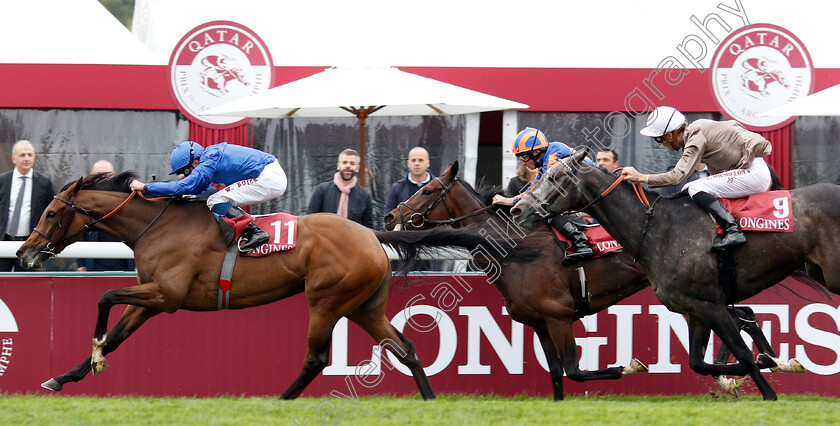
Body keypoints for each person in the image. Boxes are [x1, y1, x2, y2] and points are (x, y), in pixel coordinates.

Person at [622, 106, 772, 250]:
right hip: (750, 170)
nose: (660, 144)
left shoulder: (695, 138)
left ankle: (733, 231)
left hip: (754, 173)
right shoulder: (696, 131)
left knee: (695, 187)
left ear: (669, 135)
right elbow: (716, 175)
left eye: (658, 139)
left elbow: (677, 177)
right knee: (689, 188)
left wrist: (642, 177)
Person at [129, 141, 287, 252]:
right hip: (269, 174)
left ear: (196, 162)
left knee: (216, 200)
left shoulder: (210, 159)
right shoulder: (210, 158)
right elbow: (197, 188)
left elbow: (187, 186)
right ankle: (249, 230)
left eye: (184, 171)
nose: (183, 176)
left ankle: (256, 232)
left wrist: (145, 187)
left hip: (269, 177)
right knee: (219, 199)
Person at [492, 127, 595, 265]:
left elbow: (541, 191)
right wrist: (513, 201)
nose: (523, 162)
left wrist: (510, 201)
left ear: (536, 152)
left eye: (525, 157)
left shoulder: (553, 154)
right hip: (582, 191)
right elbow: (534, 188)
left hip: (591, 190)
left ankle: (581, 242)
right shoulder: (545, 159)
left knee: (545, 209)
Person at [0, 140, 56, 271]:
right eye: (22, 155)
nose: (26, 158)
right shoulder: (3, 181)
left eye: (30, 155)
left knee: (26, 285)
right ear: (14, 159)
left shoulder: (44, 183)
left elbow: (53, 213)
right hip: (4, 241)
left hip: (30, 245)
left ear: (34, 157)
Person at [77, 160, 136, 272]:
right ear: (92, 177)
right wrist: (81, 263)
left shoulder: (126, 199)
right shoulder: (85, 202)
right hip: (93, 265)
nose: (103, 179)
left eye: (107, 175)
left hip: (124, 264)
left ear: (114, 176)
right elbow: (79, 232)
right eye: (98, 175)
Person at [307, 149, 375, 229]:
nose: (348, 166)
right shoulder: (322, 190)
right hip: (324, 239)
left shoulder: (364, 195)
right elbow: (310, 220)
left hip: (351, 240)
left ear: (357, 168)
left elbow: (368, 227)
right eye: (344, 162)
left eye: (352, 163)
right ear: (338, 166)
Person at [386, 147, 434, 214]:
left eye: (421, 160)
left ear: (428, 163)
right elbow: (389, 218)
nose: (417, 163)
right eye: (413, 160)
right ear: (408, 163)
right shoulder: (396, 188)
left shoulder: (438, 188)